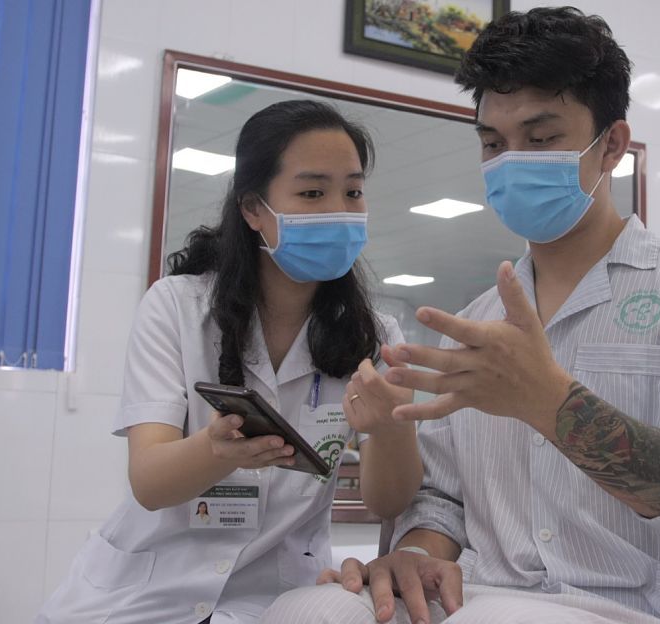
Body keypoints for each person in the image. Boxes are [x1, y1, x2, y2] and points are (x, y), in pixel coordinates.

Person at [263, 7, 660, 624]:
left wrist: (550, 403)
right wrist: (417, 555)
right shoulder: (477, 322)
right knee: (304, 610)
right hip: (485, 594)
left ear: (610, 144)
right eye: (493, 144)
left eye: (542, 137)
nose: (511, 161)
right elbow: (442, 497)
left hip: (641, 607)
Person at [37, 100, 422, 623]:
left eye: (352, 192)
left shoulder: (374, 337)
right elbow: (150, 483)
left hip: (277, 598)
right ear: (253, 208)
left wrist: (394, 430)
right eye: (312, 192)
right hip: (142, 596)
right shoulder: (177, 307)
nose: (338, 210)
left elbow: (386, 502)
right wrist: (216, 450)